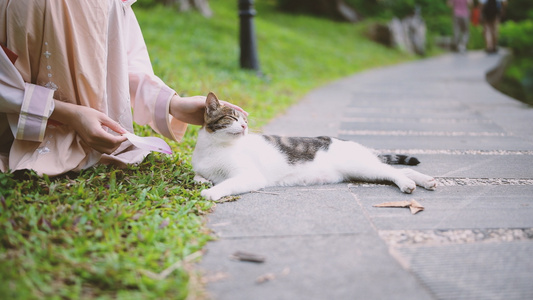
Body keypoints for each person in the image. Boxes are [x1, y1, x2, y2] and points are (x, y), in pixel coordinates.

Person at [0, 0, 246, 176]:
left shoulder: (114, 3)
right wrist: (66, 113)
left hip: (100, 149)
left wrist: (173, 104)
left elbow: (118, 65)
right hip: (22, 136)